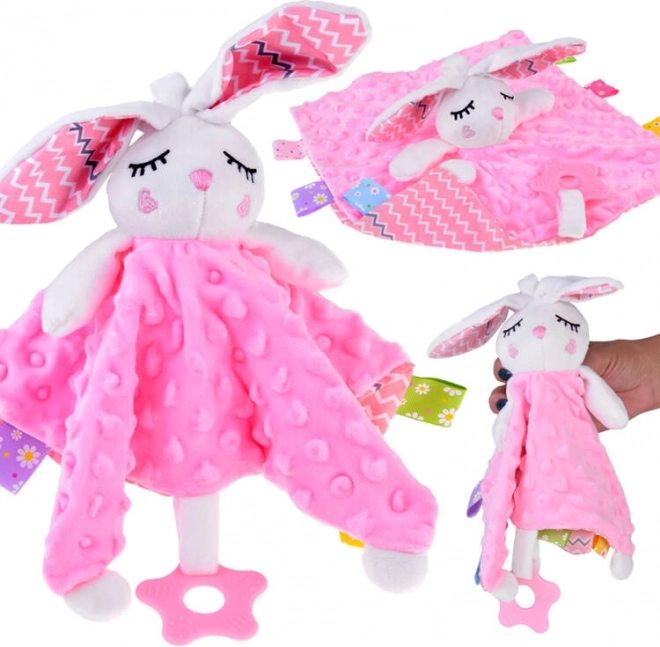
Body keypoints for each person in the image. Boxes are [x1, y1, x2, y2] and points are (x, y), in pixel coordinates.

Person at [489, 336, 660, 429]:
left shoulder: (581, 373)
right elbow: (503, 434)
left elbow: (615, 416)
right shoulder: (518, 385)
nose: (539, 332)